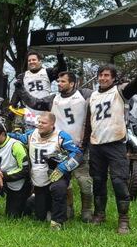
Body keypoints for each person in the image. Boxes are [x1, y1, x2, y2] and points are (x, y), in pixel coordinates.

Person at [13, 70, 94, 222]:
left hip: (80, 148)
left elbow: (99, 98)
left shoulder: (84, 94)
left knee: (84, 182)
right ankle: (68, 208)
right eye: (58, 81)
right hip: (59, 149)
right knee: (63, 182)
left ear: (72, 83)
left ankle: (87, 210)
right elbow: (34, 102)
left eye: (63, 81)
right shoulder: (53, 98)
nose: (59, 83)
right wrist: (20, 89)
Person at [84, 55, 137, 234]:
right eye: (100, 75)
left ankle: (123, 219)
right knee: (98, 181)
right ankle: (99, 214)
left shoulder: (120, 92)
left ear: (113, 78)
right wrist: (85, 143)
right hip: (96, 145)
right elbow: (89, 122)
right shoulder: (93, 96)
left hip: (115, 144)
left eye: (107, 75)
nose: (103, 78)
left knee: (119, 181)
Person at [9, 112, 83, 230]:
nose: (39, 124)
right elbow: (19, 138)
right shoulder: (31, 134)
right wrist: (5, 135)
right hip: (39, 181)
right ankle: (36, 201)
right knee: (40, 216)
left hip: (56, 176)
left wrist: (63, 167)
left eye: (43, 123)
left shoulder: (61, 137)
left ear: (52, 125)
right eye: (39, 122)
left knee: (58, 188)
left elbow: (78, 154)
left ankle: (57, 221)